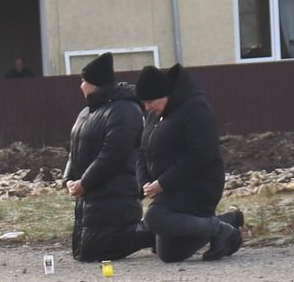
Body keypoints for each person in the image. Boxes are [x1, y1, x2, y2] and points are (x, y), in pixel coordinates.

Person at [136, 63, 243, 262]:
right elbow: (142, 150)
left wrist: (163, 183)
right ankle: (226, 222)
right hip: (168, 190)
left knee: (153, 218)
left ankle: (218, 229)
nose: (147, 107)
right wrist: (145, 182)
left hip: (197, 186)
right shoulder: (154, 115)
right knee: (169, 254)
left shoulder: (196, 109)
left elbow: (201, 155)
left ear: (165, 95)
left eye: (150, 101)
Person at [63, 53, 150, 263]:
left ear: (95, 84)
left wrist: (85, 182)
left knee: (104, 247)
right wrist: (69, 179)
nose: (81, 86)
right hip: (91, 198)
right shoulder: (86, 112)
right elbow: (74, 149)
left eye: (84, 81)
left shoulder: (124, 110)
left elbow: (113, 155)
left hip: (116, 194)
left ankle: (200, 228)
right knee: (90, 251)